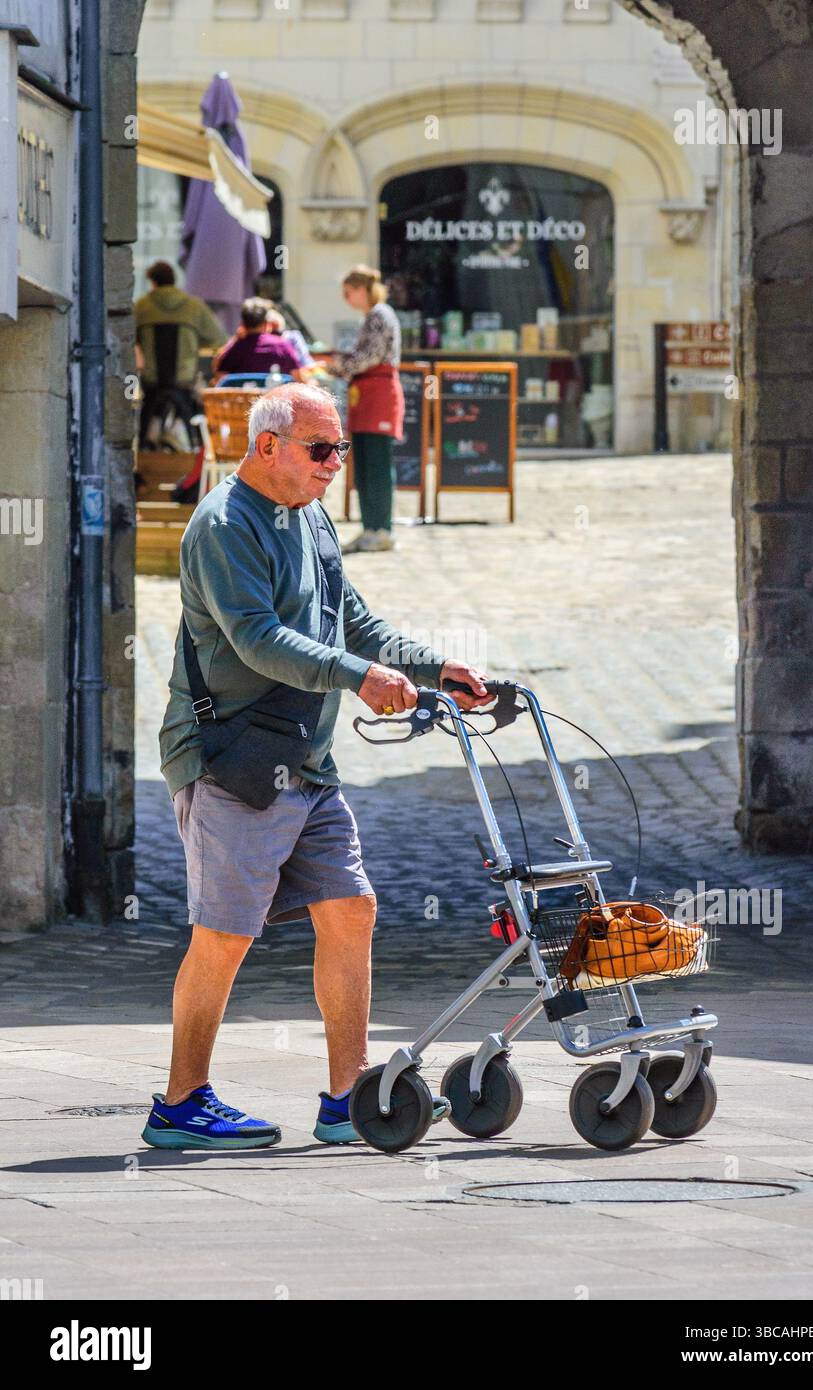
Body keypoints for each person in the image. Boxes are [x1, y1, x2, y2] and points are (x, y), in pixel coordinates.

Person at [145, 382, 489, 1151]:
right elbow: (257, 639)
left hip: (304, 755)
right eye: (321, 449)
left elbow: (354, 619)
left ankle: (348, 1097)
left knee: (351, 908)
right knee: (225, 934)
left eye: (340, 448)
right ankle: (179, 1102)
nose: (338, 463)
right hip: (231, 757)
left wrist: (434, 668)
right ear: (267, 446)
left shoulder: (311, 514)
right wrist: (357, 677)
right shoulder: (223, 525)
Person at [327, 265, 403, 554]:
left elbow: (369, 356)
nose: (346, 299)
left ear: (361, 289)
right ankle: (372, 527)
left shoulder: (379, 315)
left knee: (377, 465)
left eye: (348, 292)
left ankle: (381, 528)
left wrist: (337, 366)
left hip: (378, 396)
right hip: (369, 395)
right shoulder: (376, 315)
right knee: (367, 464)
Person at [134, 261, 226, 449]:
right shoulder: (194, 306)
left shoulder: (141, 307)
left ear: (153, 282)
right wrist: (193, 344)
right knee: (189, 410)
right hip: (184, 380)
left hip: (152, 380)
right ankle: (191, 448)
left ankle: (146, 448)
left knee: (147, 412)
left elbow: (126, 338)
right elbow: (219, 338)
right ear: (174, 280)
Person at [213, 297, 309, 381]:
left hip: (242, 401)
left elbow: (219, 377)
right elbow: (299, 378)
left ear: (242, 323)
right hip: (273, 400)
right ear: (267, 323)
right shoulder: (282, 346)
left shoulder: (234, 349)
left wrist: (234, 339)